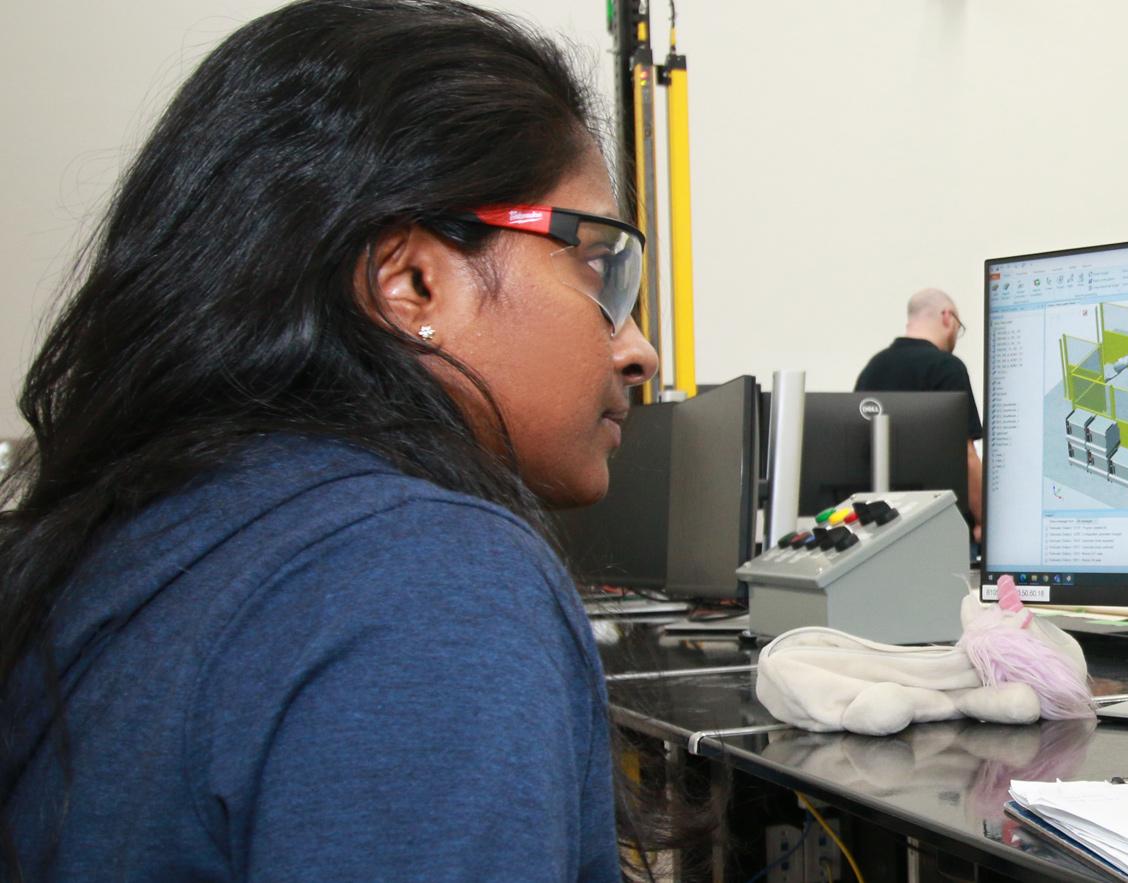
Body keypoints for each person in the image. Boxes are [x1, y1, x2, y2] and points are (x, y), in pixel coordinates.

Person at [0, 1, 669, 879]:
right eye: (600, 265)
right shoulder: (427, 580)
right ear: (413, 282)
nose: (638, 349)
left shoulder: (119, 543)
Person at [854, 288, 984, 539]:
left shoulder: (873, 368)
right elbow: (965, 455)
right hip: (938, 525)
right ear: (948, 317)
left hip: (878, 526)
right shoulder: (946, 367)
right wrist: (982, 522)